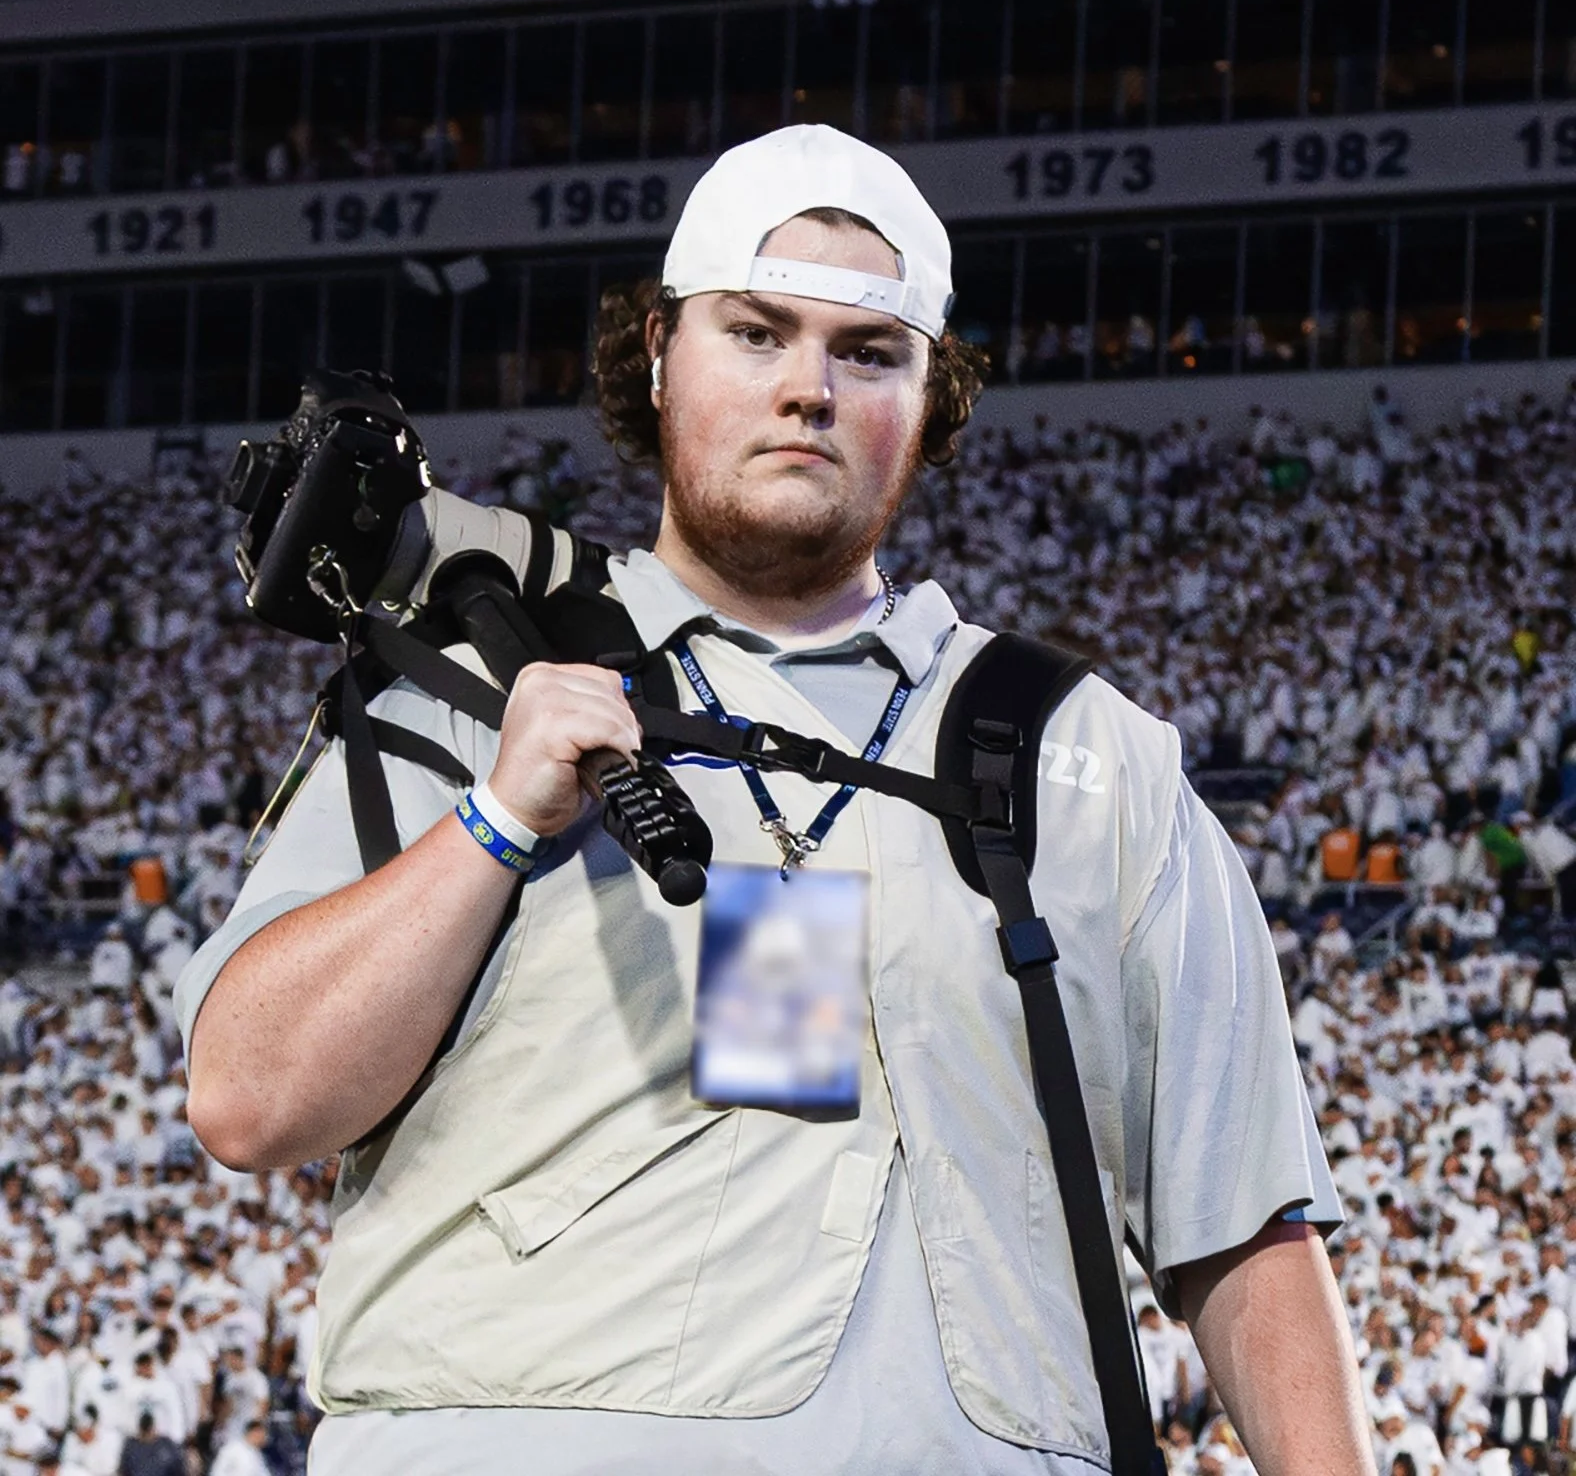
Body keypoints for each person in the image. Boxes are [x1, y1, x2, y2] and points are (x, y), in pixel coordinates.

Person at [180, 125, 1367, 1474]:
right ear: (658, 354)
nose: (808, 387)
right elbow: (248, 1099)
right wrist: (496, 821)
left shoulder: (1094, 760)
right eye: (756, 333)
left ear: (931, 399)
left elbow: (1244, 1231)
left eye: (867, 352)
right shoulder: (468, 693)